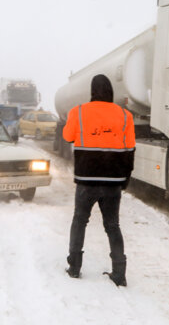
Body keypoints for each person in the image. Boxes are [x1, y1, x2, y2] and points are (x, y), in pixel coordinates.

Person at [62, 74, 135, 287]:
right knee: (113, 225)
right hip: (113, 181)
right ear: (111, 91)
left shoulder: (78, 112)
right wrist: (125, 179)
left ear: (92, 91)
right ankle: (119, 273)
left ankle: (74, 267)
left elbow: (67, 137)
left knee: (79, 221)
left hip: (86, 180)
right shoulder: (125, 116)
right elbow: (130, 149)